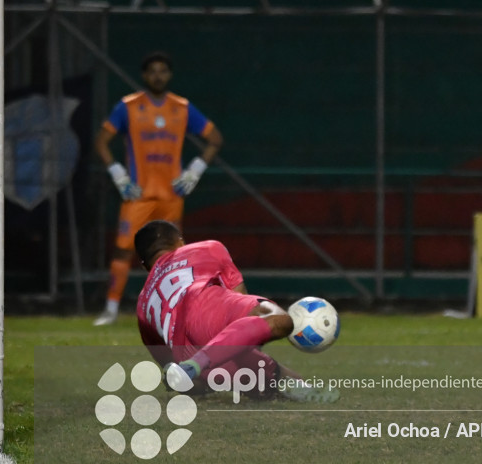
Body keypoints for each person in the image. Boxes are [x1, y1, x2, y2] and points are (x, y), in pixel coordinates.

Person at [135, 220, 339, 403]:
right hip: (202, 306)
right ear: (180, 242)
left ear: (145, 266)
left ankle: (198, 366)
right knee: (277, 319)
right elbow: (240, 304)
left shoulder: (142, 305)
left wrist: (203, 378)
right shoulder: (205, 248)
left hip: (184, 351)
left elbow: (178, 376)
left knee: (273, 383)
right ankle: (197, 365)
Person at [93, 51, 224, 326]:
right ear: (144, 75)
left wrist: (195, 170)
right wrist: (118, 174)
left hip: (171, 196)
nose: (157, 76)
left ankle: (176, 311)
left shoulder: (182, 108)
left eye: (162, 71)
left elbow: (215, 139)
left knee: (174, 257)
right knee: (123, 250)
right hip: (138, 195)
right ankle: (111, 309)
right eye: (152, 71)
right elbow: (101, 140)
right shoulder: (128, 107)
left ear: (170, 74)